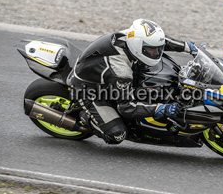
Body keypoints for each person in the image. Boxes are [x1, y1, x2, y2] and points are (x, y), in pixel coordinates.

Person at [67, 19, 199, 144]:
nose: (156, 52)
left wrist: (187, 47)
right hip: (89, 90)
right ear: (138, 46)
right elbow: (126, 107)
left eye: (157, 49)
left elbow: (161, 41)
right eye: (151, 50)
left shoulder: (131, 36)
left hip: (100, 73)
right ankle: (85, 116)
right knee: (117, 135)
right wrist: (161, 108)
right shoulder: (121, 71)